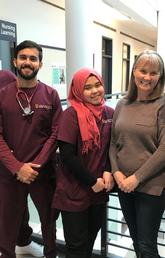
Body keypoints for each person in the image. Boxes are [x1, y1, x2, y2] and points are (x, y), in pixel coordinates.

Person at [0, 40, 62, 258]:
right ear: (15, 61)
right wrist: (17, 167)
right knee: (6, 225)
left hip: (42, 174)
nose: (28, 62)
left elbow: (56, 134)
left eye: (33, 58)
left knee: (48, 221)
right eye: (23, 57)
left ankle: (51, 254)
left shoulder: (51, 95)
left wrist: (35, 165)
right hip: (10, 174)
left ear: (40, 64)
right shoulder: (2, 95)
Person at [52, 68, 115, 258]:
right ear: (78, 90)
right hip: (74, 190)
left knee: (89, 242)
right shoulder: (70, 115)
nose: (95, 91)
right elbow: (67, 156)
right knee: (76, 247)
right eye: (87, 88)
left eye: (98, 85)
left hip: (98, 191)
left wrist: (108, 170)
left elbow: (112, 148)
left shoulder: (109, 113)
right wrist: (92, 182)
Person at [110, 50, 165, 258]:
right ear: (134, 72)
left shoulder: (162, 105)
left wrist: (136, 178)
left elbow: (164, 149)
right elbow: (113, 143)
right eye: (143, 71)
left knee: (147, 246)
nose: (147, 77)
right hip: (124, 184)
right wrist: (116, 173)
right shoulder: (122, 104)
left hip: (151, 187)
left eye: (154, 72)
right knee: (136, 242)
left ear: (160, 76)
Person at [0, 70, 43, 257]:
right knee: (5, 213)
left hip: (13, 161)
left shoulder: (6, 78)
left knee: (19, 207)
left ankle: (23, 241)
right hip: (7, 161)